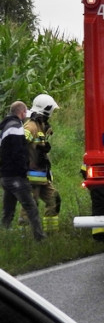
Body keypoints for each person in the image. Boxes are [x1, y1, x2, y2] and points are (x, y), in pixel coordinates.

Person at [1, 101, 45, 240]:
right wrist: (23, 170)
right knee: (31, 208)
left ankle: (4, 236)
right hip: (15, 176)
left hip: (5, 176)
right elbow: (18, 152)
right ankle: (40, 238)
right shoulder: (16, 127)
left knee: (8, 210)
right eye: (25, 113)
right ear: (22, 112)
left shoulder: (4, 126)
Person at [23, 94, 61, 234]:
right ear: (47, 110)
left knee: (54, 200)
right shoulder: (30, 126)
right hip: (31, 177)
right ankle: (25, 238)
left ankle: (51, 234)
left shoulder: (40, 125)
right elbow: (18, 145)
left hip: (42, 176)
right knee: (30, 208)